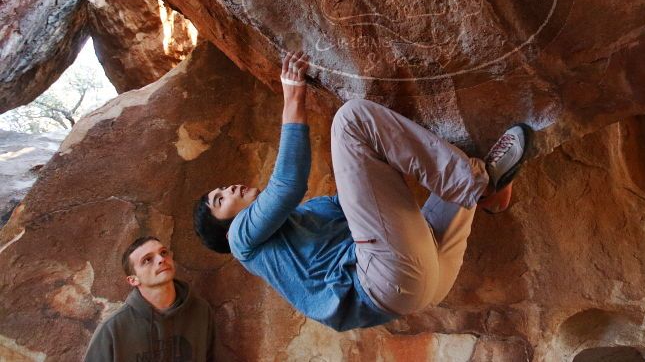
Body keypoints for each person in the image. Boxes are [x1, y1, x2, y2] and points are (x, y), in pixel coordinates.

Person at [193, 51, 531, 331]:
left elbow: (370, 193)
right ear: (225, 229)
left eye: (222, 188)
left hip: (425, 277)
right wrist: (293, 96)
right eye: (220, 199)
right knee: (350, 120)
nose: (230, 189)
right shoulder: (240, 241)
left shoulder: (307, 217)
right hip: (388, 280)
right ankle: (480, 187)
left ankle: (490, 192)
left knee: (455, 155)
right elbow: (286, 186)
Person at [84, 236, 214, 362]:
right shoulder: (112, 329)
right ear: (133, 280)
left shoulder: (201, 311)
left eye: (163, 252)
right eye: (147, 260)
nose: (161, 259)